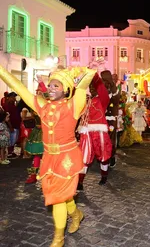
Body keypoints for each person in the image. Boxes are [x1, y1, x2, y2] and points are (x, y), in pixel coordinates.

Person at [0, 64, 96, 247]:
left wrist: (90, 72)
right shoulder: (43, 105)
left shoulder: (73, 106)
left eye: (56, 86)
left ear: (66, 90)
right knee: (61, 195)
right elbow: (19, 87)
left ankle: (58, 239)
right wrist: (1, 71)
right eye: (50, 85)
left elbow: (82, 87)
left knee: (58, 198)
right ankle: (76, 214)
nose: (51, 89)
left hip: (66, 158)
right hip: (49, 158)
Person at [77, 72, 112, 189]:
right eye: (90, 86)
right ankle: (80, 182)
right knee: (84, 156)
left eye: (93, 86)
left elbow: (101, 89)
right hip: (86, 131)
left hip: (99, 131)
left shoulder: (102, 100)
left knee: (103, 154)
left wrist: (94, 74)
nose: (92, 89)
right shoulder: (85, 100)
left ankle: (104, 176)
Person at [101, 70, 120, 169]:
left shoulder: (115, 91)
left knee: (111, 139)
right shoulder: (103, 91)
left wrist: (112, 84)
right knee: (102, 139)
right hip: (102, 119)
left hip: (111, 119)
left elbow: (116, 96)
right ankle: (104, 157)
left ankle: (111, 156)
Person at [24, 111, 44, 183]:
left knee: (38, 157)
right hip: (40, 133)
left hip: (44, 133)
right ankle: (33, 175)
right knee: (36, 157)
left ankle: (34, 176)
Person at [3, 92, 21, 158]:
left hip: (15, 124)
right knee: (12, 139)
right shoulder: (7, 105)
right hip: (12, 125)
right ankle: (9, 153)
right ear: (9, 97)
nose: (14, 98)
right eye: (13, 97)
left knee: (14, 139)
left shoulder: (13, 104)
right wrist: (10, 126)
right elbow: (7, 116)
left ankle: (11, 152)